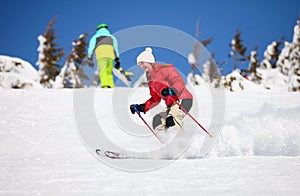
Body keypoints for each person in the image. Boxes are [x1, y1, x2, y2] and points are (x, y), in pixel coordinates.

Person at [130, 47, 193, 132]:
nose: (141, 66)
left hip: (182, 99)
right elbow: (155, 99)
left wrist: (172, 90)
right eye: (139, 64)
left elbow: (178, 81)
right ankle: (165, 139)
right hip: (171, 105)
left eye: (142, 63)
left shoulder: (165, 69)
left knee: (171, 120)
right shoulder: (152, 81)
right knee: (158, 120)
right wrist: (142, 107)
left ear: (149, 61)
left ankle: (180, 141)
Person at [87, 23, 132, 88]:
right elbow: (115, 48)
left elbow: (91, 48)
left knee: (103, 70)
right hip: (111, 56)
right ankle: (111, 85)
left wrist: (90, 57)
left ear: (98, 29)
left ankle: (105, 85)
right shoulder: (112, 37)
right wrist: (117, 59)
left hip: (101, 55)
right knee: (109, 71)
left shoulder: (95, 37)